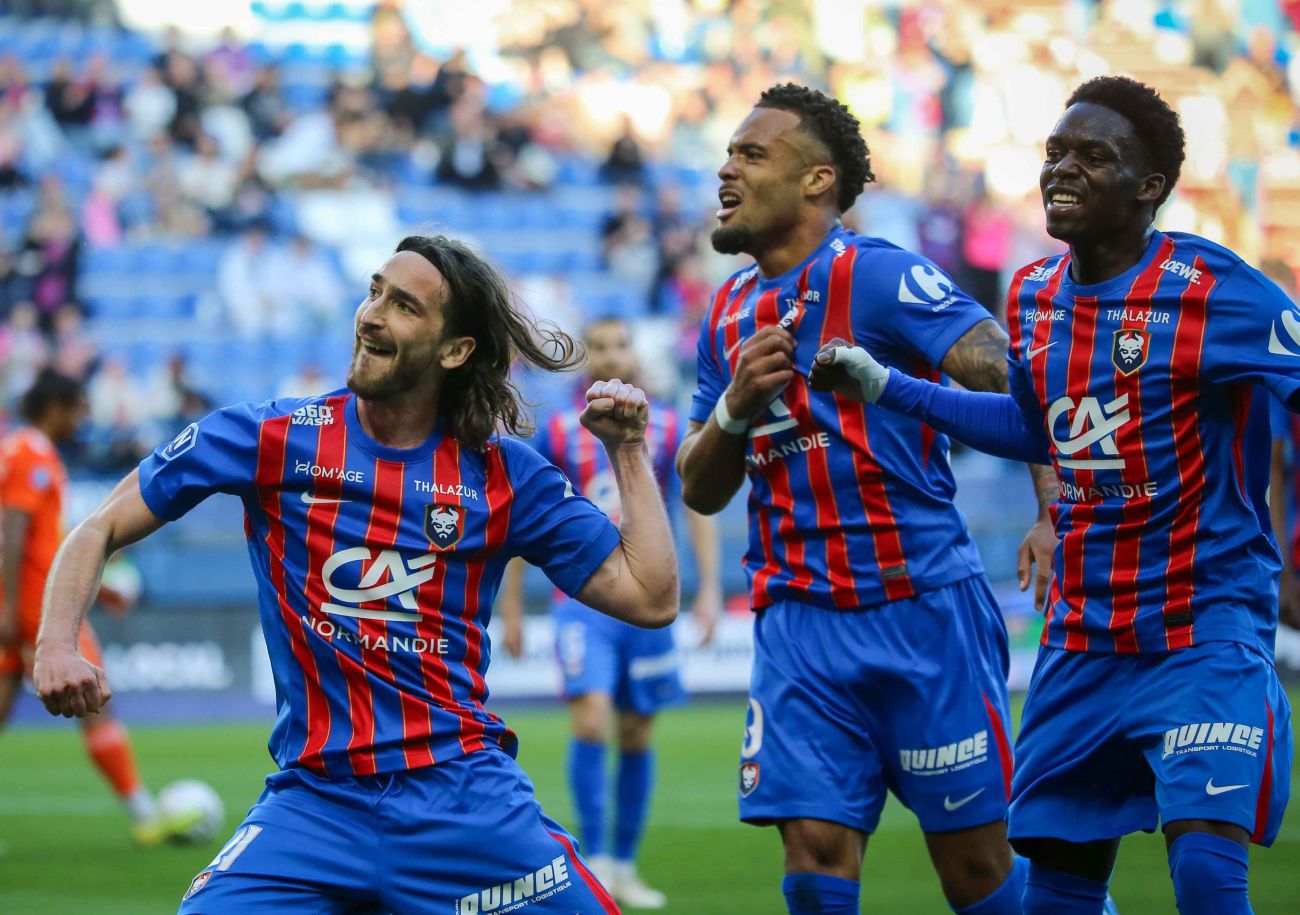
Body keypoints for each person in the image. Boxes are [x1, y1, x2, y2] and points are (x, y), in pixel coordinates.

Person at [33, 234, 680, 913]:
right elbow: (99, 524)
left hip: (463, 797)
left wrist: (628, 453)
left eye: (404, 305)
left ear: (455, 350)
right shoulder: (273, 438)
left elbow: (650, 595)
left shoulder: (505, 475)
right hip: (315, 805)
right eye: (374, 291)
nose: (372, 314)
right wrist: (55, 640)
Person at [811, 76, 1294, 915]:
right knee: (1058, 893)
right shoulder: (1034, 293)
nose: (1062, 170)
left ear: (1150, 189)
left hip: (1203, 626)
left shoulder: (1211, 286)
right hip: (1083, 635)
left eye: (1093, 157)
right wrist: (891, 386)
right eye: (1054, 154)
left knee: (1208, 874)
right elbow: (1037, 429)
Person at [675, 83, 1059, 915]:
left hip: (919, 606)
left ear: (817, 180)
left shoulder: (879, 275)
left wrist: (1051, 503)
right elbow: (699, 488)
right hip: (799, 624)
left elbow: (1012, 377)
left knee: (976, 870)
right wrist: (737, 407)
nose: (725, 169)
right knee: (814, 855)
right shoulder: (727, 312)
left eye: (751, 154)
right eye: (728, 154)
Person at [498, 316, 722, 909]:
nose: (609, 354)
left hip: (646, 601)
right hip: (584, 603)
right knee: (592, 720)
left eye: (619, 344)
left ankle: (624, 864)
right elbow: (521, 517)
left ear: (632, 351)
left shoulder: (669, 425)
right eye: (598, 346)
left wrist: (707, 591)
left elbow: (697, 508)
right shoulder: (559, 431)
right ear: (588, 357)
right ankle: (595, 857)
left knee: (635, 731)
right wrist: (513, 608)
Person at [0, 370, 186, 845]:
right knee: (93, 694)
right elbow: (12, 533)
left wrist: (99, 590)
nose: (82, 420)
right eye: (78, 409)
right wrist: (10, 608)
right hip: (36, 608)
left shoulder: (18, 448)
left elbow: (42, 540)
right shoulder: (32, 453)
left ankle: (142, 809)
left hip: (19, 598)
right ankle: (145, 814)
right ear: (56, 407)